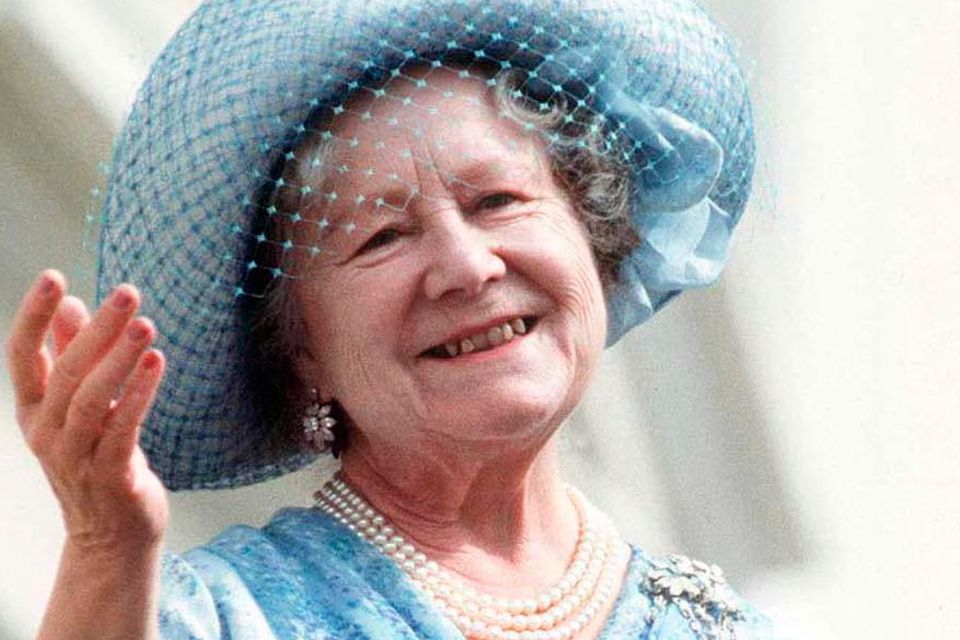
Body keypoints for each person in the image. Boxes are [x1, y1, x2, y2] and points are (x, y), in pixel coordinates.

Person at [7, 1, 774, 638]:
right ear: (301, 347)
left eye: (497, 201)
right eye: (382, 237)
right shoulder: (215, 617)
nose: (470, 267)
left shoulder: (722, 628)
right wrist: (108, 552)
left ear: (593, 234)